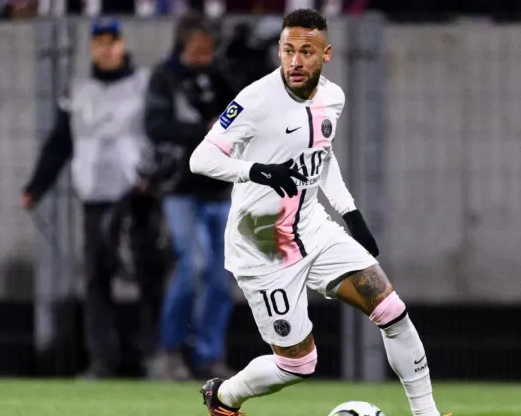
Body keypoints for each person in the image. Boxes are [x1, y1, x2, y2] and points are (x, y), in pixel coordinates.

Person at [188, 9, 451, 416]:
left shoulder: (334, 97)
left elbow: (321, 157)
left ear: (325, 54)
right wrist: (254, 170)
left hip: (312, 227)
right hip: (263, 243)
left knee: (391, 310)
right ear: (279, 51)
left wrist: (351, 214)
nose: (295, 61)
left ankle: (426, 413)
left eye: (305, 51)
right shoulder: (255, 100)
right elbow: (200, 158)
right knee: (298, 363)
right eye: (288, 50)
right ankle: (224, 398)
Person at [21, 17, 166, 379]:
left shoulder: (143, 85)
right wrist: (36, 188)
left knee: (148, 275)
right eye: (99, 41)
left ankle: (154, 355)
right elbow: (59, 144)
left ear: (122, 44)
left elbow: (161, 134)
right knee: (96, 280)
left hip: (136, 197)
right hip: (94, 197)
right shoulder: (78, 90)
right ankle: (103, 359)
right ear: (92, 47)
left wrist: (157, 178)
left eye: (111, 41)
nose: (105, 48)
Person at [143, 14, 237, 380]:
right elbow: (155, 126)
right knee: (192, 267)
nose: (203, 56)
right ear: (183, 46)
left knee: (221, 278)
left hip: (219, 190)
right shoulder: (164, 78)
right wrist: (205, 130)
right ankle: (170, 350)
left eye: (208, 50)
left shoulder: (221, 76)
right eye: (197, 50)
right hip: (181, 190)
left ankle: (209, 355)